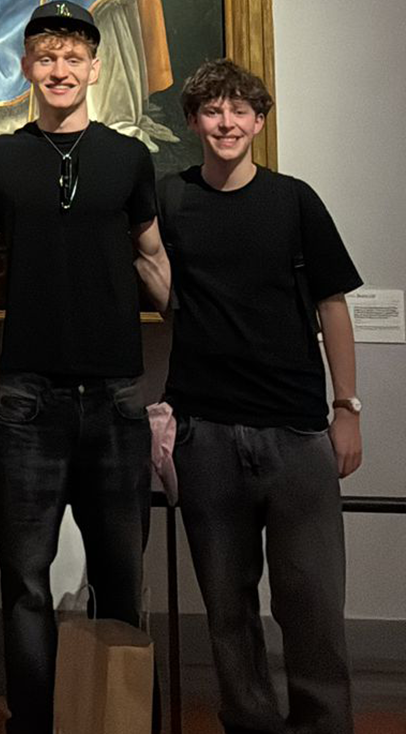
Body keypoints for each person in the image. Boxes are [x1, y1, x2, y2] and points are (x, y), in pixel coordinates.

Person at [0, 0, 171, 734]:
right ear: (26, 68)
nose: (59, 69)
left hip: (116, 399)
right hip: (27, 402)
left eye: (73, 57)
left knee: (120, 579)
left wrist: (212, 330)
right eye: (46, 57)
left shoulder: (128, 158)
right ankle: (34, 723)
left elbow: (152, 258)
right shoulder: (2, 158)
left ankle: (120, 721)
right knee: (24, 582)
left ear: (94, 68)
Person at [160, 59, 362, 734]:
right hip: (205, 431)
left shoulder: (293, 200)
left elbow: (332, 305)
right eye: (212, 111)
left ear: (258, 121)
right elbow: (147, 273)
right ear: (193, 121)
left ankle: (322, 724)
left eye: (239, 110)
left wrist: (346, 409)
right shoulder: (170, 198)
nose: (226, 122)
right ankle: (250, 724)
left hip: (296, 429)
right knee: (227, 607)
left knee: (312, 603)